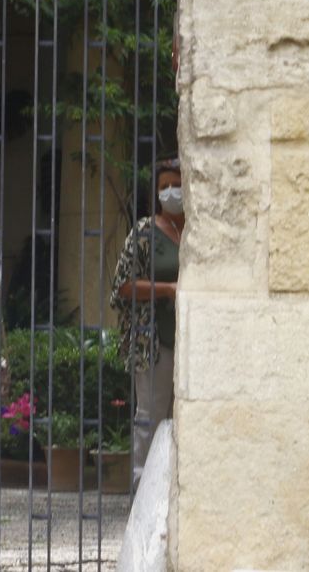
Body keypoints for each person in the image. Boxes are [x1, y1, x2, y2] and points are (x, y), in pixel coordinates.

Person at [110, 158, 184, 486]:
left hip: (193, 338)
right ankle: (143, 485)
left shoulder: (200, 230)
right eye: (164, 187)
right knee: (150, 414)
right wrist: (166, 289)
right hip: (154, 340)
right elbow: (122, 285)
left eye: (176, 185)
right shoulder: (143, 232)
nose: (171, 192)